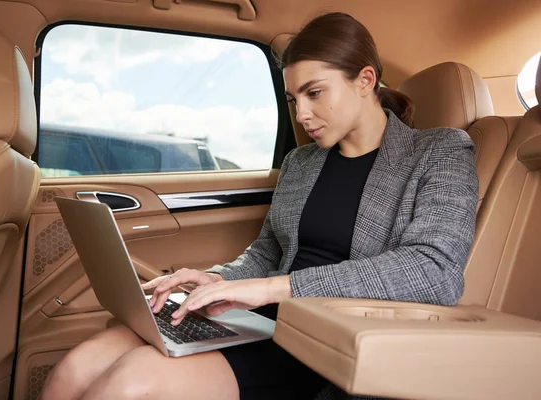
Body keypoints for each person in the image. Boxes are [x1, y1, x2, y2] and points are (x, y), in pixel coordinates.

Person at [41, 12, 478, 400]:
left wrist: (274, 289)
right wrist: (216, 278)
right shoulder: (301, 161)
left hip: (326, 341)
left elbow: (433, 271)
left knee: (133, 380)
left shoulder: (438, 152)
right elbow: (268, 251)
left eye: (315, 93)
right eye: (294, 99)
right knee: (78, 364)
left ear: (365, 81)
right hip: (260, 320)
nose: (303, 114)